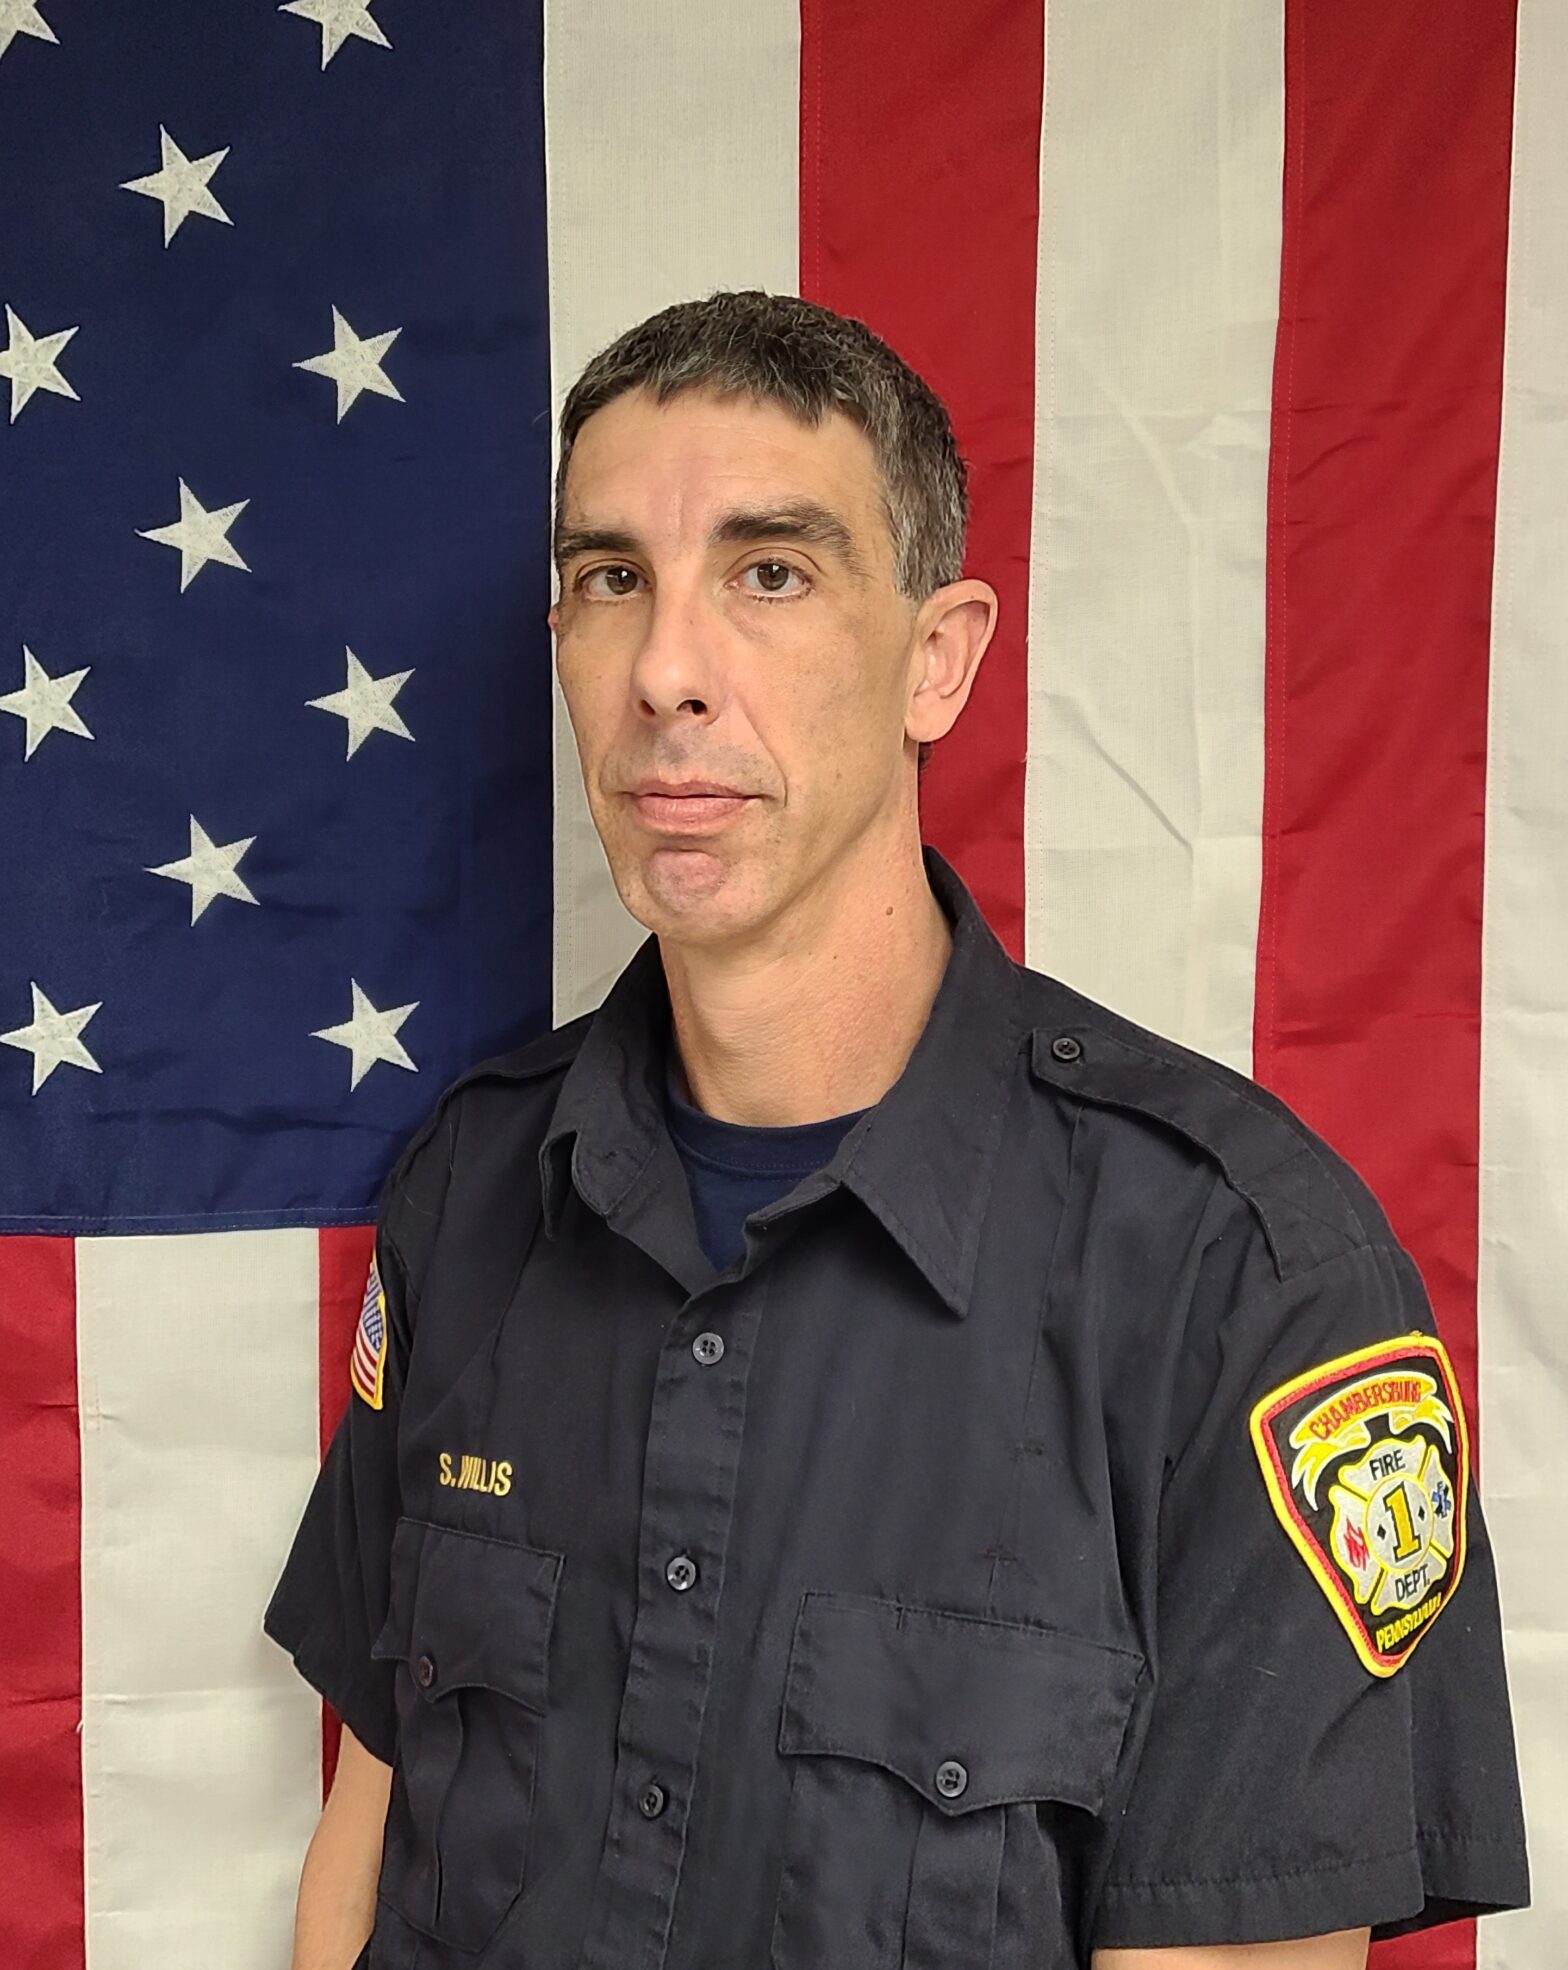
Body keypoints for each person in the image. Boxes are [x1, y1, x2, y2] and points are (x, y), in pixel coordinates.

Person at [263, 290, 1529, 1970]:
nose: (666, 672)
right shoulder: (473, 1189)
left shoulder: (1239, 1279)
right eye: (612, 578)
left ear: (939, 656)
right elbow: (369, 1844)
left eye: (770, 573)